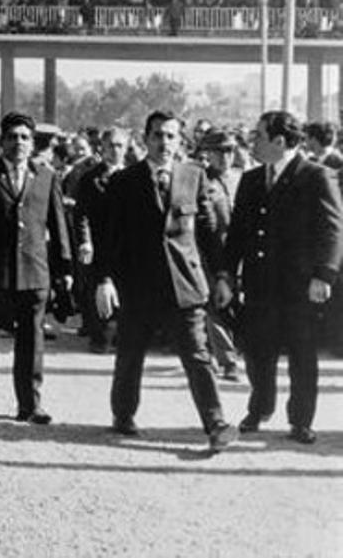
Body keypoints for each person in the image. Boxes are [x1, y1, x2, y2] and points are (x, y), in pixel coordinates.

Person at [96, 110, 237, 453]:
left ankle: (216, 423)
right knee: (130, 355)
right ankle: (123, 414)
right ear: (146, 139)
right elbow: (109, 236)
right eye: (158, 135)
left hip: (184, 284)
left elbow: (208, 231)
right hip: (138, 285)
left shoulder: (194, 175)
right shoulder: (124, 181)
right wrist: (104, 279)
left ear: (180, 141)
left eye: (171, 136)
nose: (164, 142)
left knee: (198, 356)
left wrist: (221, 275)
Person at [215, 111, 343, 445]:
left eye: (258, 136)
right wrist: (226, 275)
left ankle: (300, 420)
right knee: (258, 351)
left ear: (279, 141)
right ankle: (260, 407)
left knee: (302, 354)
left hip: (299, 286)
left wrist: (324, 275)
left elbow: (333, 231)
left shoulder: (316, 176)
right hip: (260, 284)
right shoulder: (252, 179)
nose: (252, 142)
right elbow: (238, 234)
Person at [0, 112, 72, 424]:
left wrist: (64, 268)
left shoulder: (46, 177)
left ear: (32, 143)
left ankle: (30, 403)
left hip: (33, 273)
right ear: (1, 142)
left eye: (25, 137)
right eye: (12, 137)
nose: (18, 143)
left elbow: (58, 225)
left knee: (31, 339)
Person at [74, 128, 130, 354]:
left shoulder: (134, 176)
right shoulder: (91, 178)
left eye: (120, 146)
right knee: (99, 289)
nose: (115, 150)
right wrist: (85, 241)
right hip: (100, 243)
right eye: (111, 146)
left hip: (127, 245)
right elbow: (82, 214)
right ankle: (100, 334)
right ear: (102, 148)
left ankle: (123, 334)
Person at [197, 130, 242, 381]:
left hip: (240, 251)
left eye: (230, 150)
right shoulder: (202, 181)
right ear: (208, 153)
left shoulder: (241, 178)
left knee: (236, 303)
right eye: (220, 151)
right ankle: (228, 360)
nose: (226, 156)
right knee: (216, 304)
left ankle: (216, 352)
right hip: (212, 250)